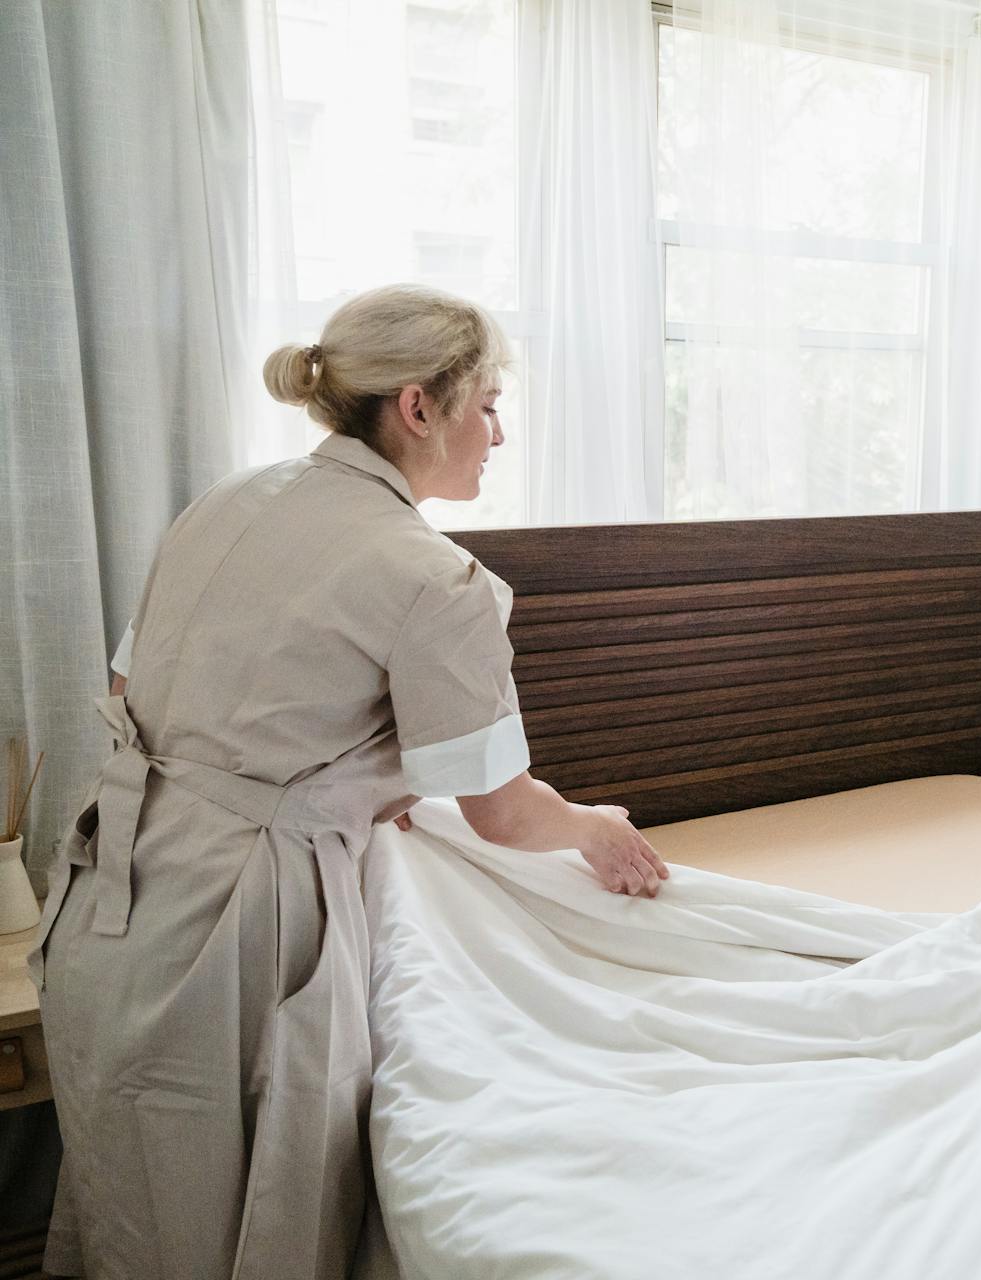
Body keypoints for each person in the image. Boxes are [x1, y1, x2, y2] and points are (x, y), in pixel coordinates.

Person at [30, 284, 671, 1279]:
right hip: (235, 929)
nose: (499, 433)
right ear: (417, 406)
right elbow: (500, 811)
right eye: (489, 403)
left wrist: (353, 779)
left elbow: (129, 684)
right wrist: (590, 823)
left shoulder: (227, 501)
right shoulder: (431, 576)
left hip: (102, 891)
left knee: (135, 1201)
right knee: (238, 1216)